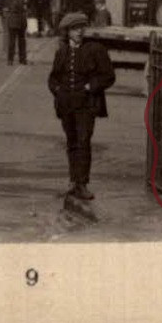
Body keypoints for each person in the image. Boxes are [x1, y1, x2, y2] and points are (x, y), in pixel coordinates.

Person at [47, 12, 116, 201]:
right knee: (71, 142)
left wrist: (90, 86)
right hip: (66, 105)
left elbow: (109, 76)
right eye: (74, 29)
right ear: (67, 32)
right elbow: (53, 77)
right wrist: (58, 90)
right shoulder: (61, 52)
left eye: (81, 28)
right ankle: (73, 182)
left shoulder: (95, 49)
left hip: (87, 105)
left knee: (84, 142)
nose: (79, 32)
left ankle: (82, 184)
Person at [1, 0, 28, 65]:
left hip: (16, 22)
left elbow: (26, 6)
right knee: (16, 42)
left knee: (19, 42)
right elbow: (18, 7)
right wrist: (21, 0)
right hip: (16, 21)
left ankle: (14, 60)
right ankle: (16, 60)